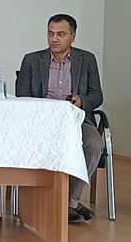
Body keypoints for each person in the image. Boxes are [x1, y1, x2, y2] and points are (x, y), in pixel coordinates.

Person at [15, 14, 103, 223]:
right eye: (50, 34)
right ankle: (54, 203)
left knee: (94, 145)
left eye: (61, 34)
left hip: (76, 119)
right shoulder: (32, 60)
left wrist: (81, 101)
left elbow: (97, 95)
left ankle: (69, 201)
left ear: (73, 36)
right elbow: (22, 96)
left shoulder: (87, 59)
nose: (54, 39)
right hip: (41, 122)